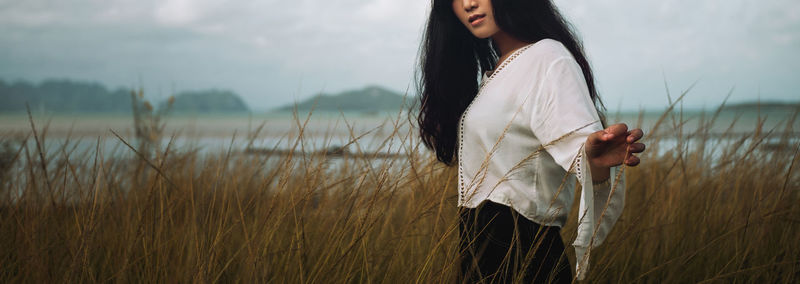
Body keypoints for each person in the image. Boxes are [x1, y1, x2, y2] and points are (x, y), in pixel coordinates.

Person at [416, 0, 646, 283]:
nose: (469, 3)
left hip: (523, 255)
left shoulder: (548, 57)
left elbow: (580, 146)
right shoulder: (500, 70)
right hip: (481, 254)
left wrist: (594, 159)